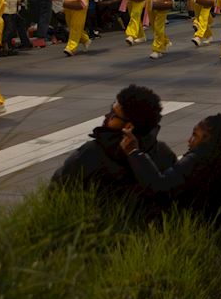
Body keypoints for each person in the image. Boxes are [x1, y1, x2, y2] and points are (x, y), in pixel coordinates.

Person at [121, 112, 221, 253]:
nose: (189, 140)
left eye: (195, 135)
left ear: (207, 140)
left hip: (208, 245)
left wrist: (134, 152)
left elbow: (160, 186)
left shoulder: (197, 160)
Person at [51, 84, 176, 214]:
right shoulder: (164, 154)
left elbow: (58, 191)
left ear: (129, 126)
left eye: (113, 114)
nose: (107, 116)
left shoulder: (91, 153)